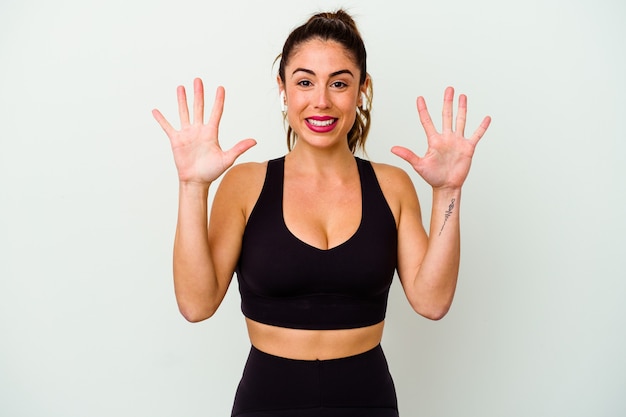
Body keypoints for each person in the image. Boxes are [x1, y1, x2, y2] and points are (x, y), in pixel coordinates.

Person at [152, 9, 491, 417]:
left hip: (368, 401)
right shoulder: (245, 184)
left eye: (340, 83)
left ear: (362, 89)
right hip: (267, 402)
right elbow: (196, 305)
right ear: (283, 88)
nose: (322, 101)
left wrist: (448, 191)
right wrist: (192, 186)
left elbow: (432, 302)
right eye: (305, 81)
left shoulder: (392, 185)